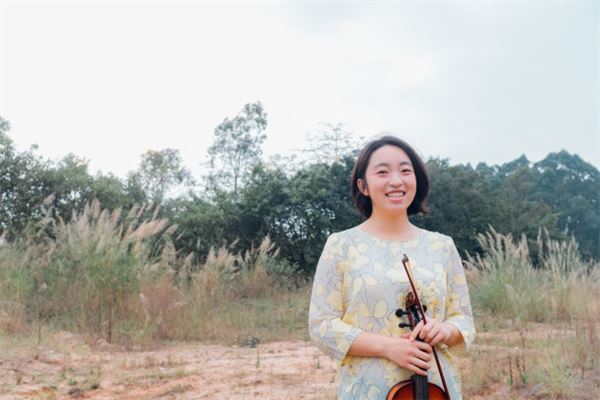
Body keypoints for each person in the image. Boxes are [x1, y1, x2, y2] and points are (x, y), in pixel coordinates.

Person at [308, 135, 475, 400]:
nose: (396, 180)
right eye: (383, 172)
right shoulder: (341, 245)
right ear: (363, 186)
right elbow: (322, 325)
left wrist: (445, 330)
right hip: (368, 388)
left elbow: (463, 319)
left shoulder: (442, 246)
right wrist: (388, 347)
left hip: (436, 388)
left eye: (405, 171)